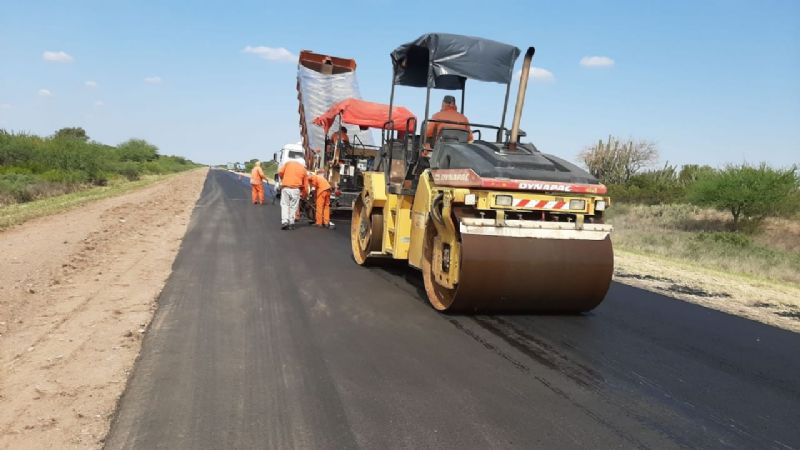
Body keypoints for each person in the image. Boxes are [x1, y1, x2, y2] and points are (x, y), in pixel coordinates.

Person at [278, 159, 308, 230]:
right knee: (293, 206)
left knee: (285, 205)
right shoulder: (303, 169)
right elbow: (305, 185)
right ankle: (291, 223)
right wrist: (304, 195)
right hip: (296, 189)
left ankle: (285, 221)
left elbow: (280, 172)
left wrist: (283, 179)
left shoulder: (288, 163)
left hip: (286, 188)